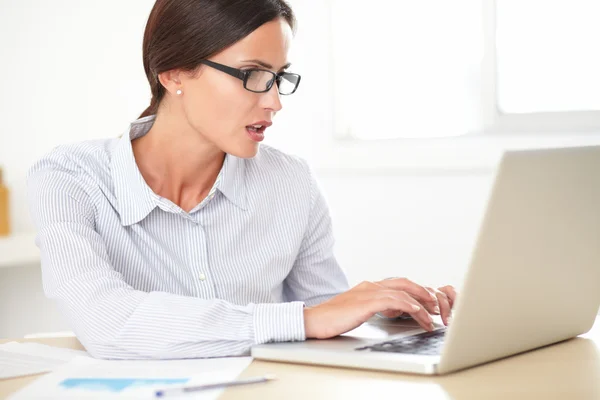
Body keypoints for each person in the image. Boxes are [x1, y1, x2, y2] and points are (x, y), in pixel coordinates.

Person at [27, 0, 457, 360]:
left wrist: (384, 313)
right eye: (252, 74)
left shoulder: (290, 181)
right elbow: (107, 322)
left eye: (279, 77)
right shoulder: (70, 178)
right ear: (174, 72)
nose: (274, 102)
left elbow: (322, 311)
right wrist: (305, 321)